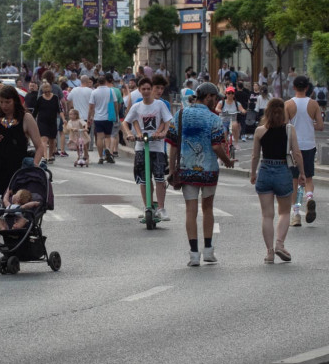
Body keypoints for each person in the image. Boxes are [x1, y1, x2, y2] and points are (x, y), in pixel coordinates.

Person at [167, 83, 235, 267]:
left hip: (186, 168)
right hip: (209, 170)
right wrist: (227, 160)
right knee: (208, 209)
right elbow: (216, 146)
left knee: (190, 210)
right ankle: (208, 251)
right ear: (208, 97)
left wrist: (172, 167)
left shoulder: (180, 115)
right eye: (215, 98)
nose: (217, 102)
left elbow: (172, 145)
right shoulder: (213, 119)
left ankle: (193, 254)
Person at [0, 86, 44, 273]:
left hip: (17, 172)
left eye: (8, 102)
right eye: (1, 102)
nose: (4, 106)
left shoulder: (26, 118)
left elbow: (39, 146)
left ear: (15, 100)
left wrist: (33, 165)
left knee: (16, 209)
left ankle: (16, 249)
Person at [250, 98, 304, 264]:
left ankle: (270, 253)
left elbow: (255, 155)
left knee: (267, 215)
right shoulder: (289, 130)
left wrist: (253, 173)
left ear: (267, 112)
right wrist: (302, 172)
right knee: (285, 212)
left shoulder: (259, 131)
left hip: (265, 170)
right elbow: (296, 154)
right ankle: (280, 244)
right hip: (282, 171)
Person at [123, 78, 173, 221]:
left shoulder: (159, 105)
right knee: (144, 179)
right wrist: (129, 134)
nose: (146, 91)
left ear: (151, 89)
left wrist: (163, 132)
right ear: (139, 90)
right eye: (143, 89)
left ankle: (162, 208)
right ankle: (147, 207)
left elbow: (167, 119)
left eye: (148, 89)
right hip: (141, 146)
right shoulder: (137, 107)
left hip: (157, 147)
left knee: (159, 177)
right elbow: (126, 123)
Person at [285, 76, 323, 227]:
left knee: (294, 181)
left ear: (294, 87)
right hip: (309, 144)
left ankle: (296, 215)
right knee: (308, 178)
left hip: (294, 146)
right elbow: (320, 126)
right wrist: (309, 124)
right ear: (307, 88)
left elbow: (284, 125)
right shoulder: (313, 104)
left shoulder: (288, 104)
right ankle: (309, 197)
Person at [88, 76, 118, 164]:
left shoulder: (94, 92)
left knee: (100, 138)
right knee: (108, 136)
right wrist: (116, 114)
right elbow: (115, 104)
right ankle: (107, 149)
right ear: (105, 82)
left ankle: (101, 157)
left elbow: (91, 107)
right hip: (109, 117)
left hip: (98, 118)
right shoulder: (111, 90)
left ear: (98, 82)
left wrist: (89, 117)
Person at [35, 82, 65, 162]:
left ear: (51, 90)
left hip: (52, 121)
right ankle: (45, 157)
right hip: (42, 121)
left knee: (52, 140)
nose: (47, 93)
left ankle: (50, 155)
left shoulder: (55, 98)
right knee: (44, 139)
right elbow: (35, 112)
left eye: (48, 91)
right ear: (43, 92)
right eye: (45, 92)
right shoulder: (40, 99)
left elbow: (60, 110)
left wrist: (63, 118)